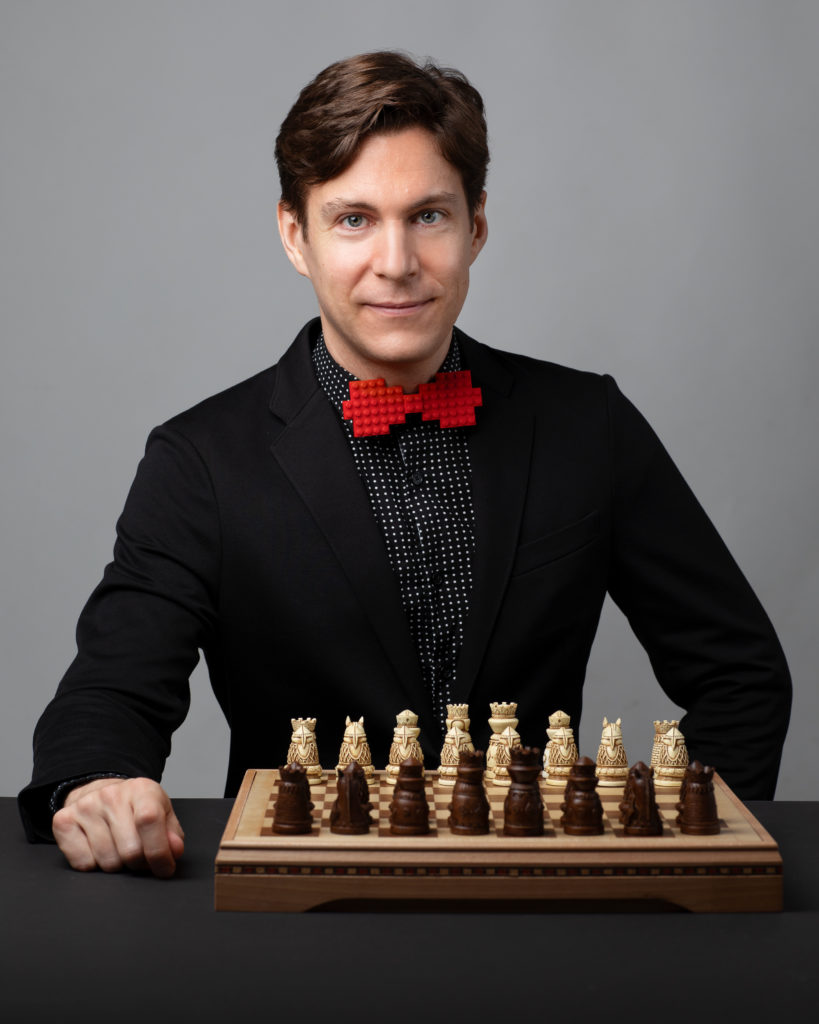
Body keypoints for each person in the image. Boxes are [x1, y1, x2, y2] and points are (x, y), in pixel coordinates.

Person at [19, 51, 791, 877]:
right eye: (353, 219)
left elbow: (740, 672)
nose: (395, 262)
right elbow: (111, 690)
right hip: (299, 925)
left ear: (476, 225)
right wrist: (98, 781)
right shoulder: (199, 460)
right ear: (294, 234)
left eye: (428, 216)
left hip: (544, 911)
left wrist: (692, 851)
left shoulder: (586, 424)